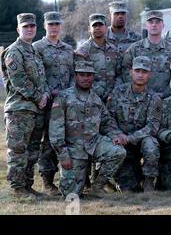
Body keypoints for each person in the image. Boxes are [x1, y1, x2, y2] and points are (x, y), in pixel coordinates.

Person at [49, 61, 126, 197]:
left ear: (93, 77)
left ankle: (98, 186)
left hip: (94, 143)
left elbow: (106, 122)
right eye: (82, 75)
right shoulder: (63, 97)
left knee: (118, 152)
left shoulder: (96, 99)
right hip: (74, 149)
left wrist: (115, 135)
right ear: (76, 76)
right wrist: (63, 155)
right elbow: (56, 130)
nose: (86, 78)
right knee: (70, 194)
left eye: (89, 75)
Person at [1, 13, 49, 199]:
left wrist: (44, 94)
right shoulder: (14, 51)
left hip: (35, 109)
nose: (29, 29)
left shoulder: (34, 51)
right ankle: (18, 187)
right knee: (18, 149)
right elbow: (19, 80)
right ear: (18, 29)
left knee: (32, 149)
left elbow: (41, 79)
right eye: (25, 26)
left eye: (32, 26)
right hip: (19, 109)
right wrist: (39, 97)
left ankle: (28, 185)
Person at [33, 11, 74, 196]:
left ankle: (68, 178)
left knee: (63, 139)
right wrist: (48, 93)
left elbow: (73, 74)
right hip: (46, 103)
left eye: (57, 24)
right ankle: (47, 181)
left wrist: (70, 93)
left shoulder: (67, 49)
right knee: (47, 142)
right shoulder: (37, 48)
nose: (54, 27)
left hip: (65, 103)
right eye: (51, 24)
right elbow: (36, 76)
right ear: (45, 26)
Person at [107, 56, 162, 192]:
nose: (140, 75)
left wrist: (130, 138)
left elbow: (152, 126)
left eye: (144, 72)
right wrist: (117, 134)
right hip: (121, 141)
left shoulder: (154, 97)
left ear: (149, 74)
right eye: (137, 71)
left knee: (151, 144)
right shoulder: (118, 92)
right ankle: (110, 180)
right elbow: (108, 118)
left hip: (140, 140)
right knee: (129, 189)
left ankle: (149, 181)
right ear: (131, 72)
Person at [122, 10, 171, 98]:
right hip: (139, 99)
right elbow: (125, 71)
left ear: (163, 25)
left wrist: (165, 94)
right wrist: (138, 90)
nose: (154, 25)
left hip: (166, 100)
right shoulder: (135, 48)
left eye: (157, 22)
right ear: (146, 25)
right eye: (150, 22)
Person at [75, 13, 122, 103]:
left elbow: (120, 74)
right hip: (91, 99)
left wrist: (114, 92)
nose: (97, 28)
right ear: (89, 29)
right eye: (94, 25)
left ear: (105, 27)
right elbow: (81, 78)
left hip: (113, 98)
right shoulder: (83, 51)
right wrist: (98, 94)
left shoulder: (114, 50)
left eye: (100, 25)